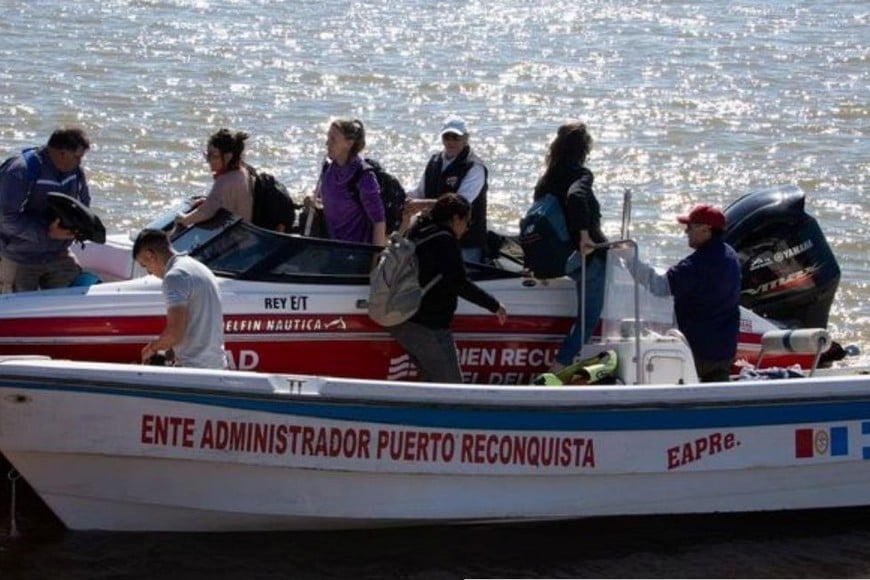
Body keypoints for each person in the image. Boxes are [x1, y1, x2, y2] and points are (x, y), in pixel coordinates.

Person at [389, 193, 507, 383]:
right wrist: (494, 305)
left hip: (418, 322)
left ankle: (419, 411)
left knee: (433, 381)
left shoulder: (420, 231)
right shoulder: (443, 240)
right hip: (421, 325)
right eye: (467, 222)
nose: (467, 229)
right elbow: (459, 282)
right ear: (455, 219)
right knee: (450, 386)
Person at [628, 204, 741, 382]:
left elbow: (659, 286)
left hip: (698, 353)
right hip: (724, 351)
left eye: (690, 227)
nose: (686, 232)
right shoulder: (730, 255)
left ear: (706, 229)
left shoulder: (696, 265)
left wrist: (630, 261)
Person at [536, 122, 608, 374]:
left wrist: (535, 261)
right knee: (588, 319)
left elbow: (535, 217)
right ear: (584, 148)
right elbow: (576, 197)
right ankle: (559, 366)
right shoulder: (581, 175)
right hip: (589, 255)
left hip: (560, 259)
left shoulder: (547, 178)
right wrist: (585, 236)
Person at [0, 127, 92, 292]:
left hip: (58, 254)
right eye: (77, 157)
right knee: (21, 311)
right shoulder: (20, 171)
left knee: (78, 290)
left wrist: (79, 225)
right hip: (20, 257)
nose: (80, 162)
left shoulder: (76, 172)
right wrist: (46, 232)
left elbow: (84, 203)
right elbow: (6, 219)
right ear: (61, 153)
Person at [133, 228, 228, 370]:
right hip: (218, 366)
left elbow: (174, 333)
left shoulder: (174, 277)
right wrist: (170, 349)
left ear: (150, 254)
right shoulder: (199, 268)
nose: (149, 272)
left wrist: (151, 348)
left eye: (145, 265)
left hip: (195, 370)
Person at [403, 116, 489, 262]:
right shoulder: (434, 161)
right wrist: (403, 199)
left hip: (466, 242)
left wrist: (421, 204)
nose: (450, 142)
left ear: (466, 138)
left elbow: (460, 204)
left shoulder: (474, 167)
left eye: (455, 137)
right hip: (436, 237)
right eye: (446, 137)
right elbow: (420, 192)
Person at [308, 118, 386, 246]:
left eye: (333, 139)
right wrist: (312, 201)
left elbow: (379, 221)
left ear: (349, 143)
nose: (327, 143)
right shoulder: (328, 169)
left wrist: (375, 262)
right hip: (331, 246)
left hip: (355, 252)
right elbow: (330, 201)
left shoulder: (364, 176)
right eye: (328, 137)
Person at [176, 129, 253, 228]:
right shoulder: (243, 172)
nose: (209, 160)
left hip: (235, 236)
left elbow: (207, 211)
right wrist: (208, 200)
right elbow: (225, 202)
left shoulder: (225, 180)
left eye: (214, 156)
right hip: (245, 232)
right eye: (208, 155)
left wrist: (184, 219)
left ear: (228, 157)